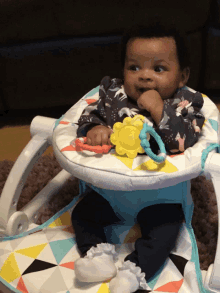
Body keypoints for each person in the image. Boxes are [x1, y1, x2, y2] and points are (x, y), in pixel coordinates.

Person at [71, 20, 205, 293]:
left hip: (160, 194)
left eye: (159, 68)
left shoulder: (186, 103)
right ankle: (98, 256)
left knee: (166, 230)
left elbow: (183, 141)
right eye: (134, 67)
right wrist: (94, 128)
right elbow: (88, 115)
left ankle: (135, 271)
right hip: (111, 189)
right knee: (83, 214)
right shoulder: (113, 93)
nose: (144, 76)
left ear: (182, 76)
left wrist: (159, 109)